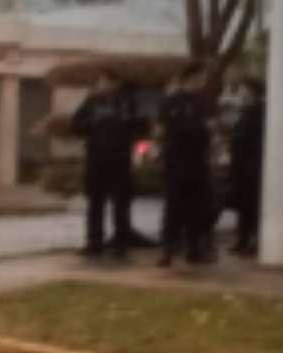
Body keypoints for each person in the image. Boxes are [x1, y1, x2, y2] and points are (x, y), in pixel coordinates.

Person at [73, 70, 147, 258]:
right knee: (95, 202)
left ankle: (120, 243)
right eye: (100, 82)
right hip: (96, 158)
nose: (102, 86)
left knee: (120, 203)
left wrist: (139, 157)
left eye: (106, 82)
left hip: (120, 160)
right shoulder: (91, 103)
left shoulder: (127, 103)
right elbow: (76, 125)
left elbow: (142, 131)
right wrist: (91, 123)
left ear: (115, 84)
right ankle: (94, 242)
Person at [157, 63, 215, 268]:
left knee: (197, 207)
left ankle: (194, 248)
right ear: (192, 77)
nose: (204, 82)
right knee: (173, 206)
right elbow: (171, 129)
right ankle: (167, 249)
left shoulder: (202, 102)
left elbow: (208, 130)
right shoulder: (171, 101)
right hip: (177, 160)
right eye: (201, 77)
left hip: (197, 161)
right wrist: (198, 129)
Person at [228, 77, 266, 256]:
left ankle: (252, 240)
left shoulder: (259, 113)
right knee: (243, 205)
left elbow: (252, 139)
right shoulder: (243, 113)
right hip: (240, 165)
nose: (240, 95)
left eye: (244, 91)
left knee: (252, 205)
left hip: (252, 166)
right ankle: (242, 239)